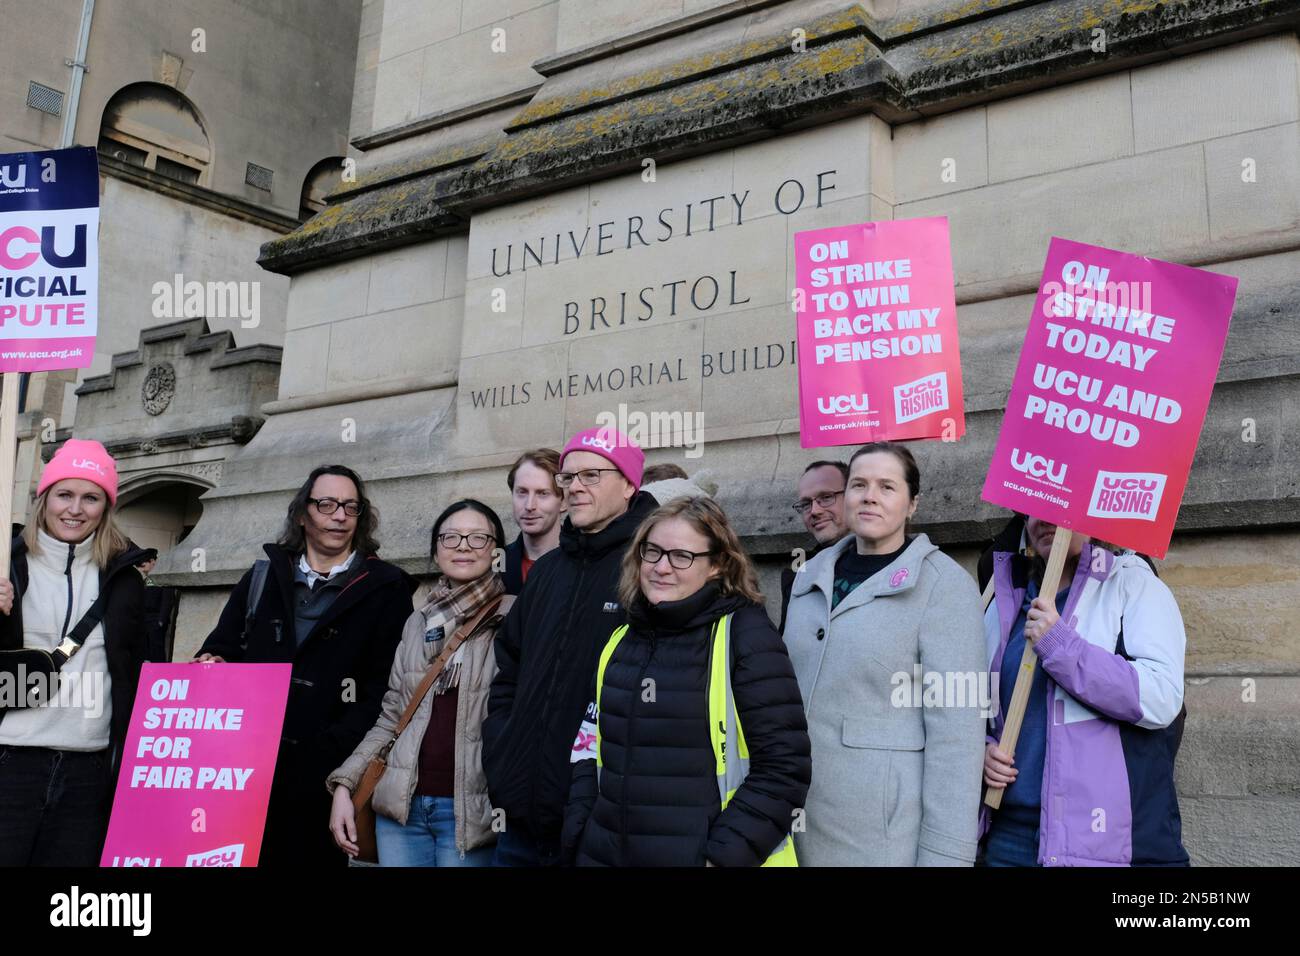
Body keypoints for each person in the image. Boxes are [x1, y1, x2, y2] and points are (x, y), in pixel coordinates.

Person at [561, 496, 810, 866]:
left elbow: (784, 768)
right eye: (653, 552)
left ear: (717, 565)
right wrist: (582, 827)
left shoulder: (745, 636)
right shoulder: (621, 638)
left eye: (682, 556)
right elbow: (591, 742)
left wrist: (721, 858)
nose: (662, 567)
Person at [196, 464, 416, 867]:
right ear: (302, 513)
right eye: (327, 504)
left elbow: (386, 690)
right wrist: (213, 663)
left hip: (326, 779)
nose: (339, 516)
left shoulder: (387, 588)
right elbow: (223, 646)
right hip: (245, 773)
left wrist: (334, 755)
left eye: (351, 507)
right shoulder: (262, 576)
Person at [783, 441, 985, 865]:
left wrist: (946, 856)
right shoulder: (807, 578)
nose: (870, 495)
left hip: (882, 834)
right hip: (792, 818)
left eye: (887, 486)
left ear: (912, 503)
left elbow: (957, 739)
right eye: (858, 484)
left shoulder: (943, 586)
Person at [482, 426, 656, 866]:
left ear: (630, 485)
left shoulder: (650, 568)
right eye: (568, 476)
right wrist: (503, 749)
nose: (575, 486)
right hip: (521, 820)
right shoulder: (546, 571)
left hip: (602, 825)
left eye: (591, 476)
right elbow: (509, 672)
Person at [980, 516, 1189, 866]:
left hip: (1097, 841)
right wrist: (982, 751)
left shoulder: (1132, 583)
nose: (1044, 518)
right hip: (1010, 838)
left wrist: (1062, 647)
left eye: (1060, 506)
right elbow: (978, 702)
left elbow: (1162, 697)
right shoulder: (1004, 598)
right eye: (1034, 507)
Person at [327, 499, 514, 866]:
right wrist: (345, 784)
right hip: (401, 811)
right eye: (451, 537)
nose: (463, 546)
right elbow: (391, 717)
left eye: (478, 538)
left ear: (496, 552)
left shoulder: (513, 617)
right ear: (435, 549)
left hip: (470, 813)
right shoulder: (418, 623)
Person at [0, 440, 156, 866]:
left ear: (106, 508)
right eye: (64, 494)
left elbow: (140, 669)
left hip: (87, 771)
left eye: (91, 498)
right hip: (9, 762)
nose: (76, 509)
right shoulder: (5, 563)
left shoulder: (125, 578)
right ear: (43, 499)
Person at [778, 460, 849, 631]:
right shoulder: (797, 577)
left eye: (826, 497)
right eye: (806, 504)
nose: (815, 511)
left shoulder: (894, 562)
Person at [502, 449, 565, 596]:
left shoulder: (583, 562)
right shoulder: (498, 562)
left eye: (543, 494)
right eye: (522, 492)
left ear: (564, 502)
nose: (529, 505)